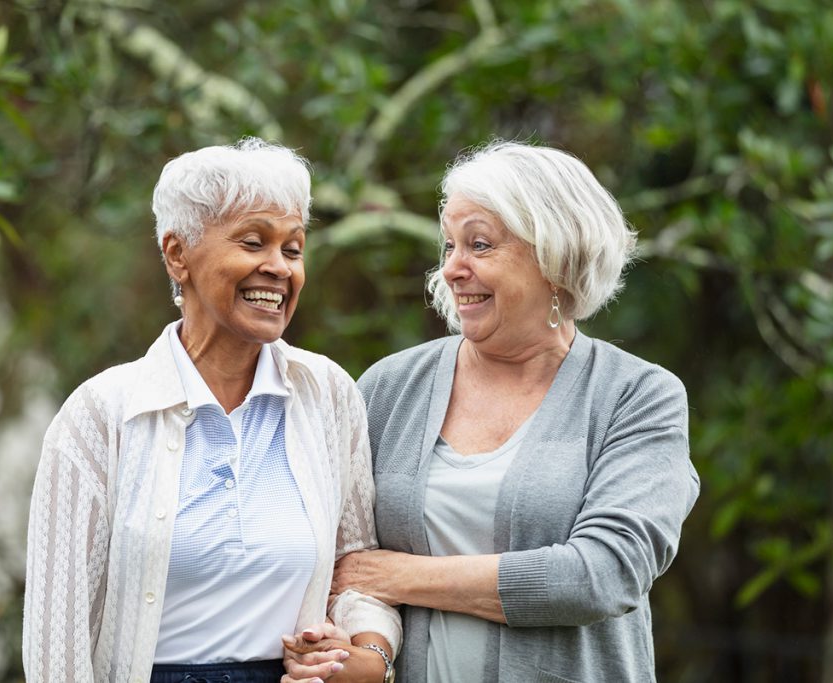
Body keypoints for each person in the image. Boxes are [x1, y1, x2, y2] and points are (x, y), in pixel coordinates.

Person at [286, 140, 700, 682]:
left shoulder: (636, 396)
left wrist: (402, 576)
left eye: (479, 245)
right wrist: (353, 650)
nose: (453, 269)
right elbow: (342, 567)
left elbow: (601, 575)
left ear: (556, 258)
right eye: (450, 245)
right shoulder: (388, 388)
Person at [23, 138, 400, 683]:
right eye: (253, 242)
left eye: (293, 250)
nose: (278, 268)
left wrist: (365, 654)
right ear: (178, 254)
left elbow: (357, 569)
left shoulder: (328, 396)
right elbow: (55, 643)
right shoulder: (101, 414)